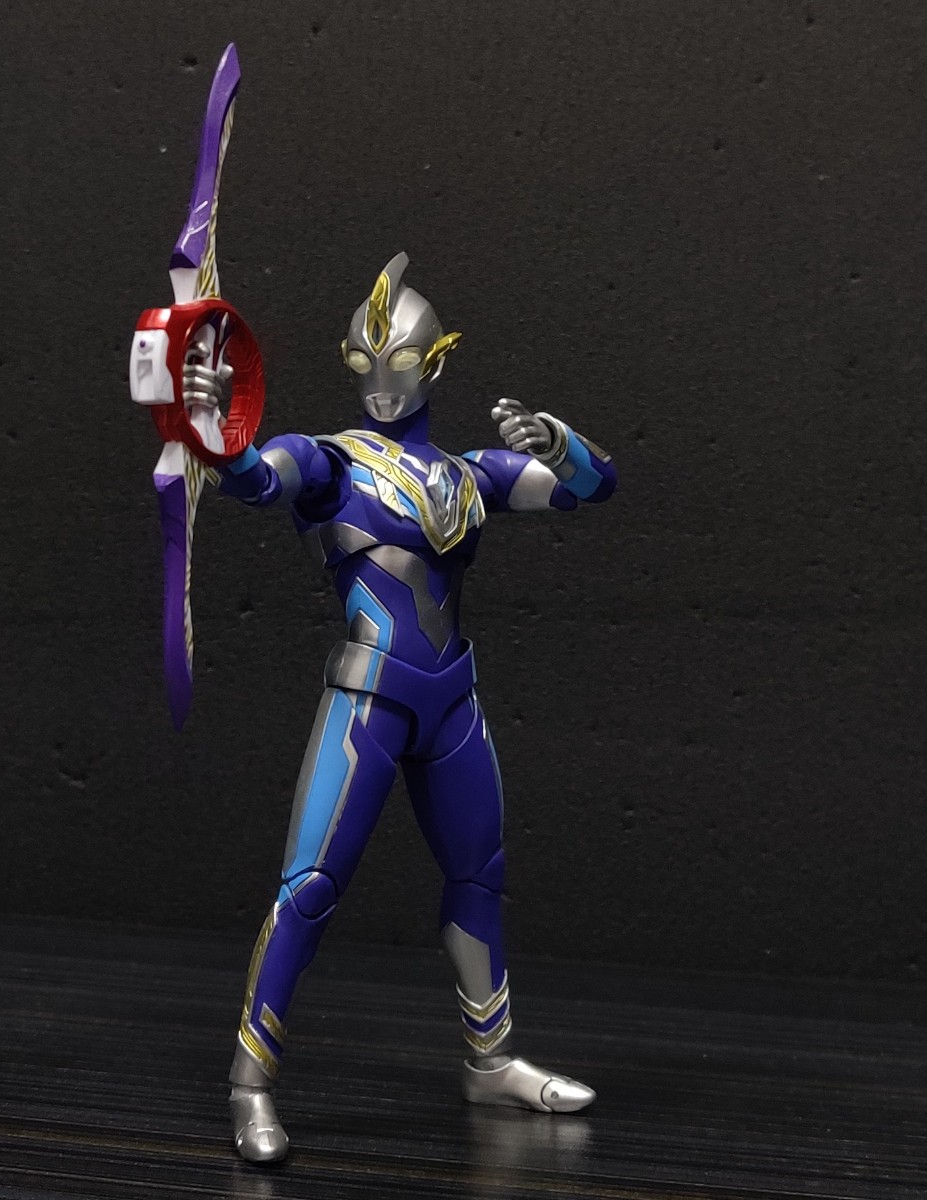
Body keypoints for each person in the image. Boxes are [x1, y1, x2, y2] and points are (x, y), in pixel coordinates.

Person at [186, 253, 619, 1163]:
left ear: (436, 362)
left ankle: (489, 1061)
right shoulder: (330, 462)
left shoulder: (470, 475)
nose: (382, 380)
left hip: (451, 701)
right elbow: (255, 478)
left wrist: (557, 442)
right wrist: (212, 424)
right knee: (310, 886)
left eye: (402, 361)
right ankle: (249, 1084)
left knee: (478, 877)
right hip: (369, 697)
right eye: (364, 361)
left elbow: (590, 488)